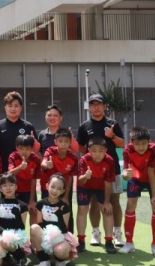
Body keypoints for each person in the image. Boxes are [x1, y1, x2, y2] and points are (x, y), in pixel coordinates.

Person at [77, 93, 125, 247]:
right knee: (93, 201)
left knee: (114, 201)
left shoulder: (112, 124)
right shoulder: (84, 126)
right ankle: (96, 233)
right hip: (91, 172)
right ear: (89, 108)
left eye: (99, 104)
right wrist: (89, 158)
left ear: (105, 106)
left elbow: (122, 144)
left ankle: (117, 233)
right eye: (92, 105)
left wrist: (112, 136)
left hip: (112, 168)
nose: (96, 107)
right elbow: (80, 147)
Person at [120, 126, 155, 256]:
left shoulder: (154, 149)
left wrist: (154, 195)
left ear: (149, 142)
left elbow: (151, 172)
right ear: (132, 142)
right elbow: (125, 172)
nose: (141, 147)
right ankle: (129, 243)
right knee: (130, 204)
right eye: (137, 144)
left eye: (144, 143)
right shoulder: (127, 150)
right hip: (136, 178)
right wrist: (125, 175)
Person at [75, 138, 117, 254]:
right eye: (94, 151)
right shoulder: (84, 160)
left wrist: (107, 202)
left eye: (100, 151)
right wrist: (86, 176)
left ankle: (109, 241)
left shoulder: (109, 161)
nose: (97, 154)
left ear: (106, 151)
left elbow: (108, 183)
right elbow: (80, 180)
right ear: (89, 150)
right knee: (82, 210)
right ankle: (81, 241)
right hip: (85, 186)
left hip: (101, 187)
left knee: (107, 210)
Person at [31, 173, 78, 266]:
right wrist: (46, 239)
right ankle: (44, 260)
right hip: (45, 234)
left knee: (60, 251)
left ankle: (59, 259)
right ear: (47, 186)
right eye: (52, 187)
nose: (55, 191)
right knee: (34, 228)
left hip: (61, 236)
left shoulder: (65, 207)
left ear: (63, 191)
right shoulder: (40, 204)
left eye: (59, 188)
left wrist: (58, 213)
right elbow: (40, 223)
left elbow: (64, 229)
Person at [0, 173, 30, 266]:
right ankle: (6, 258)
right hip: (1, 236)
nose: (8, 188)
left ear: (16, 187)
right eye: (4, 185)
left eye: (11, 185)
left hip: (17, 236)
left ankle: (20, 257)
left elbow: (22, 227)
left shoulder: (22, 205)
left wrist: (17, 214)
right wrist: (5, 233)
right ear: (0, 189)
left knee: (5, 242)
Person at [41, 128, 78, 231]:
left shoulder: (73, 157)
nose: (63, 144)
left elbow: (70, 177)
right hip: (48, 187)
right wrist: (46, 165)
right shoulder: (50, 151)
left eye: (66, 141)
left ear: (70, 143)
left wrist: (66, 196)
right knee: (47, 211)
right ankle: (45, 234)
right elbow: (43, 163)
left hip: (63, 189)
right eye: (60, 141)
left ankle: (68, 234)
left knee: (66, 210)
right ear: (55, 142)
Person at [0, 91, 36, 172]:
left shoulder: (28, 126)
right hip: (3, 170)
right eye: (10, 106)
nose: (13, 109)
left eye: (16, 106)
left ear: (21, 107)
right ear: (5, 107)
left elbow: (36, 150)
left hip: (24, 171)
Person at [7, 134, 42, 211]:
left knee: (33, 210)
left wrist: (31, 200)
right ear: (16, 147)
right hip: (15, 190)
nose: (24, 152)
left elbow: (34, 180)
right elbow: (9, 174)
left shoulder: (36, 159)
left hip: (30, 191)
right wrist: (20, 167)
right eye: (21, 148)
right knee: (16, 213)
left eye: (27, 149)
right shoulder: (13, 156)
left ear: (32, 148)